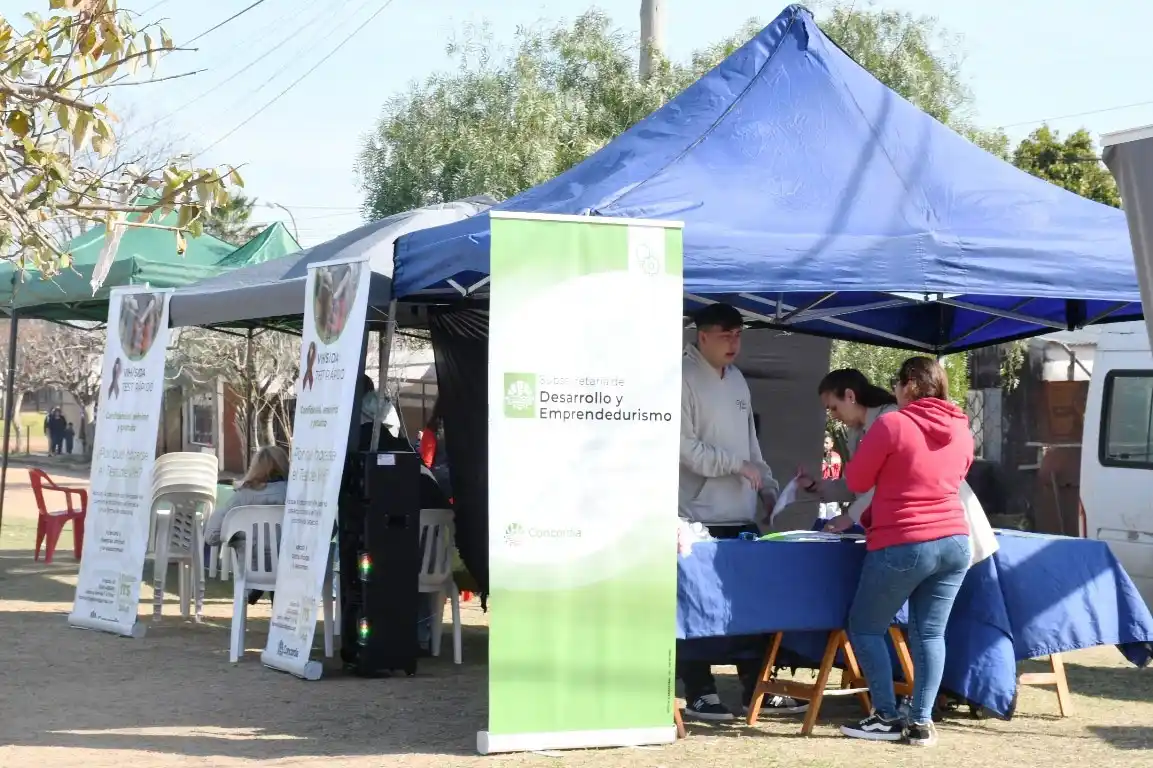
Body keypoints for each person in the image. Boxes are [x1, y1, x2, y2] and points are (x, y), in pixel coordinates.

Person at [832, 358, 973, 746]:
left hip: (906, 540)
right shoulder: (962, 428)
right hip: (956, 541)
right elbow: (956, 476)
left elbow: (857, 480)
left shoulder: (893, 423)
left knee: (865, 626)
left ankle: (885, 716)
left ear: (910, 384)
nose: (892, 390)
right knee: (930, 633)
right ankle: (921, 722)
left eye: (896, 383)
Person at [678, 302, 806, 722]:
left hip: (741, 513)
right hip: (697, 515)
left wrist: (768, 486)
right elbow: (684, 450)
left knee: (750, 606)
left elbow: (751, 445)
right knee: (697, 606)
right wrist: (736, 466)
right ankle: (700, 691)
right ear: (703, 335)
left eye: (739, 334)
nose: (735, 342)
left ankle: (759, 688)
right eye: (726, 334)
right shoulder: (681, 377)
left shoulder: (737, 380)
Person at [799, 369, 899, 531]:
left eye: (834, 408)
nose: (833, 416)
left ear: (850, 396)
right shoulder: (856, 432)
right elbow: (856, 486)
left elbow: (891, 484)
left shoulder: (890, 420)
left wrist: (851, 516)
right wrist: (816, 486)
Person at [204, 445, 290, 605]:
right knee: (280, 553)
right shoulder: (296, 495)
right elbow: (329, 530)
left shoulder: (241, 497)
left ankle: (256, 588)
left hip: (252, 568)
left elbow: (211, 536)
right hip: (293, 568)